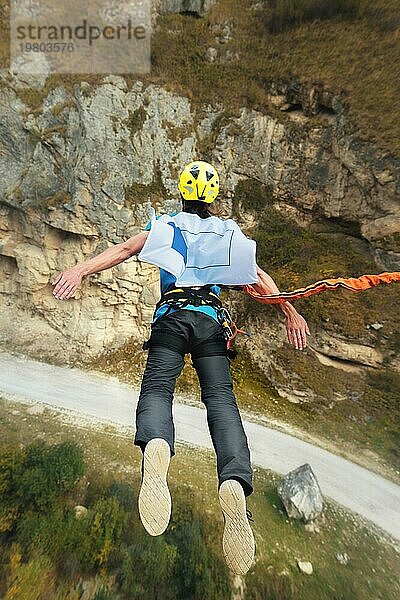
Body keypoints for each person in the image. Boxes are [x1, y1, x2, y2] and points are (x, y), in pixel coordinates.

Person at [52, 160, 310, 575]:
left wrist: (79, 271)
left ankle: (156, 447)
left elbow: (123, 251)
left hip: (171, 317)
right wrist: (290, 313)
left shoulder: (166, 227)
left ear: (182, 193)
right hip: (210, 322)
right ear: (214, 197)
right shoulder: (228, 233)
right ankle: (232, 482)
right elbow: (258, 277)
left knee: (157, 390)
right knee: (222, 403)